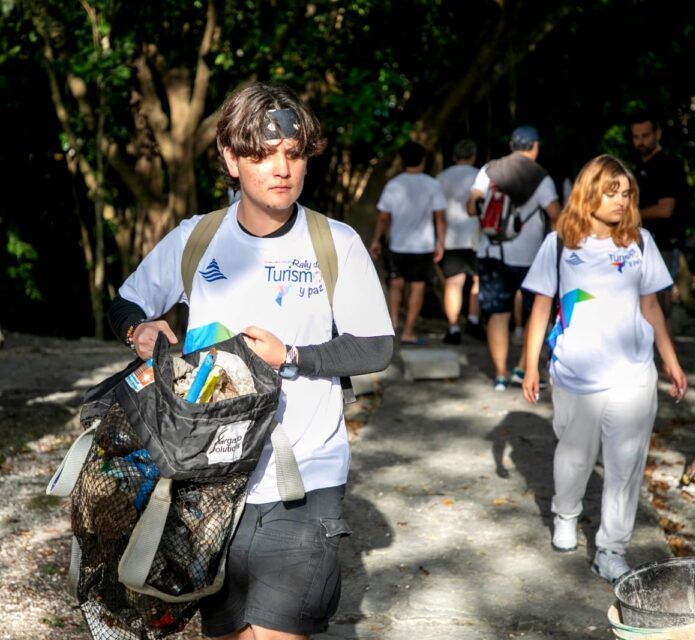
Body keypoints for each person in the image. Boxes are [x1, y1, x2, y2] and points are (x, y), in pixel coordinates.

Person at [106, 82, 394, 640]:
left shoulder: (335, 242)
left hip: (304, 478)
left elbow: (376, 345)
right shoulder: (197, 238)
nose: (281, 169)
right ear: (231, 159)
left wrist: (292, 355)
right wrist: (138, 330)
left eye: (293, 154)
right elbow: (126, 302)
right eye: (262, 155)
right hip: (207, 480)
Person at [520, 154, 687, 584]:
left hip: (633, 374)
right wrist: (530, 366)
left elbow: (652, 306)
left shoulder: (640, 242)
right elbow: (540, 308)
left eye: (626, 193)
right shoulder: (560, 243)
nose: (620, 201)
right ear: (589, 192)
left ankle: (612, 549)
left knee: (625, 465)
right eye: (611, 192)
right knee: (574, 458)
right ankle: (566, 513)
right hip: (575, 374)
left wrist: (670, 361)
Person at [467, 126, 561, 391]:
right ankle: (522, 369)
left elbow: (471, 206)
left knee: (498, 314)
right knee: (534, 312)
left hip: (491, 252)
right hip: (529, 257)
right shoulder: (540, 177)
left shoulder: (489, 170)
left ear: (511, 145)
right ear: (535, 146)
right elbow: (555, 214)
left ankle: (500, 374)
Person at [369, 141, 447, 344]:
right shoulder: (432, 184)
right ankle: (408, 331)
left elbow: (383, 217)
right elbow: (440, 217)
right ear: (423, 160)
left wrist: (376, 240)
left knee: (396, 284)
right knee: (417, 287)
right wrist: (441, 243)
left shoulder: (394, 185)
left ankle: (393, 324)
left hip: (398, 244)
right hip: (423, 246)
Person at [630, 113, 689, 331]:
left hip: (663, 245)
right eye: (636, 137)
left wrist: (630, 216)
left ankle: (665, 352)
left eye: (645, 135)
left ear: (658, 134)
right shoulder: (639, 166)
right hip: (638, 244)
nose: (640, 142)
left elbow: (666, 210)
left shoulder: (668, 165)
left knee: (660, 309)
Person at [435, 139, 483, 344]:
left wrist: (438, 239)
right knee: (478, 281)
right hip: (477, 237)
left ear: (454, 156)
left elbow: (437, 211)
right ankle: (473, 320)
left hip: (450, 237)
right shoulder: (481, 176)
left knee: (453, 283)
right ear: (473, 156)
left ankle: (454, 327)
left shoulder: (441, 178)